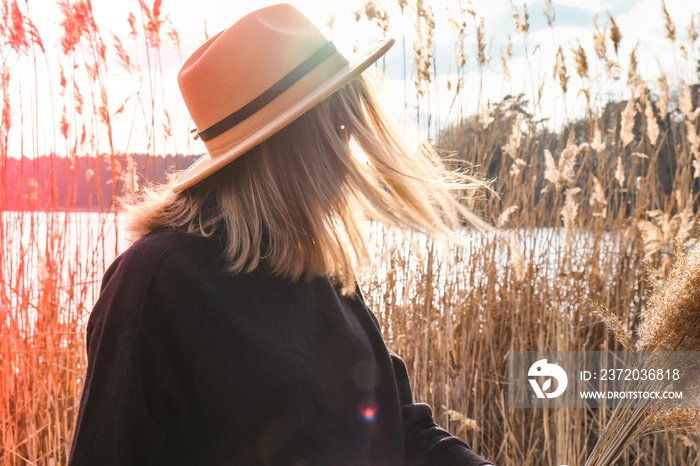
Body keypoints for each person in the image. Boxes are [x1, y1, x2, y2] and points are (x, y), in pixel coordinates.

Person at [69, 4, 494, 465]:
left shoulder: (316, 274)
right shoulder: (155, 283)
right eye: (340, 126)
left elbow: (401, 427)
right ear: (294, 147)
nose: (349, 150)